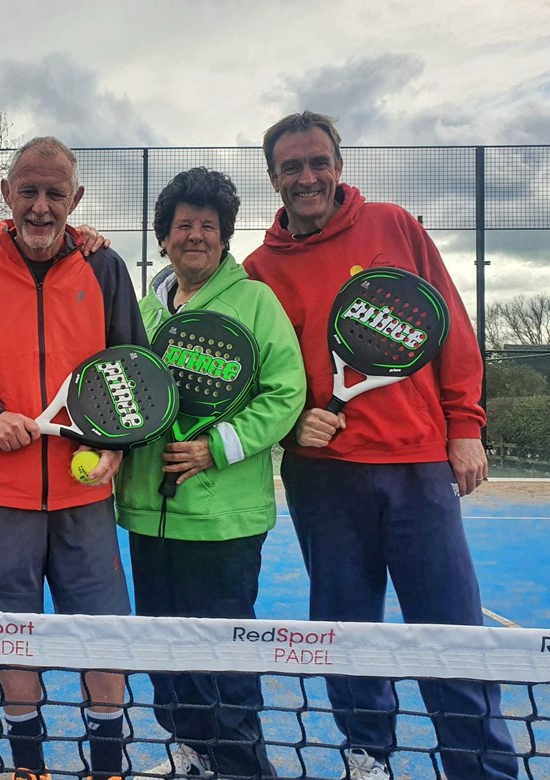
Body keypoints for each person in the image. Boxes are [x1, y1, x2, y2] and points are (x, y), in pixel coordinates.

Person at [242, 111, 518, 780]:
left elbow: (448, 326)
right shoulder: (258, 269)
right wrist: (294, 423)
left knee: (450, 633)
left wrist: (464, 426)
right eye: (292, 167)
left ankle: (481, 768)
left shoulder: (395, 225)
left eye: (318, 161)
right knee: (345, 632)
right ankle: (369, 757)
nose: (307, 176)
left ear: (338, 164)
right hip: (324, 478)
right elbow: (266, 382)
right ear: (273, 177)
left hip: (418, 467)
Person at [0, 137, 144, 780]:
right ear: (9, 195)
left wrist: (113, 447)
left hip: (84, 500)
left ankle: (107, 767)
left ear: (76, 200)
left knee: (104, 640)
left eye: (54, 194)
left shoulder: (106, 270)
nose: (41, 207)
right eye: (29, 191)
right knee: (9, 637)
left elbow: (135, 373)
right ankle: (28, 768)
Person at [115, 168, 305, 779]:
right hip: (148, 514)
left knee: (223, 660)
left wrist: (213, 449)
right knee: (166, 658)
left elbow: (285, 393)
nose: (194, 236)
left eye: (207, 227)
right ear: (164, 238)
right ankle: (191, 757)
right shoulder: (144, 308)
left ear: (223, 238)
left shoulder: (255, 301)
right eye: (182, 227)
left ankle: (243, 770)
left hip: (223, 521)